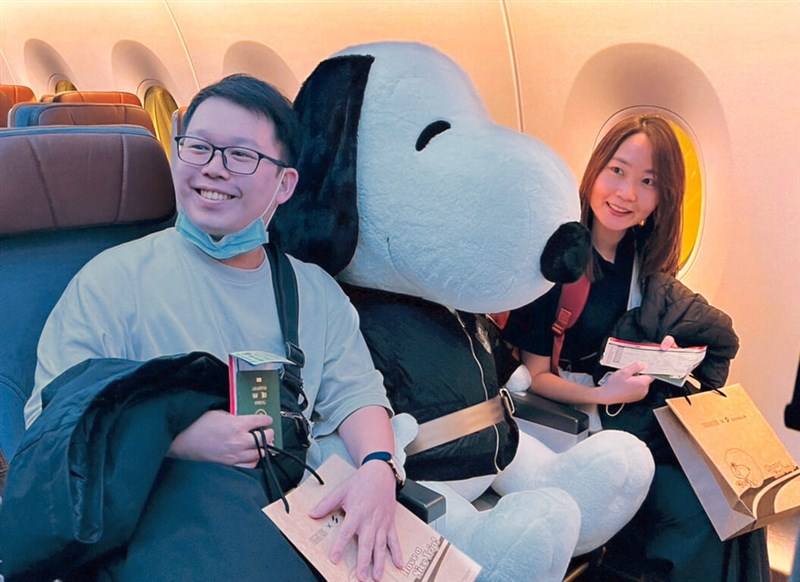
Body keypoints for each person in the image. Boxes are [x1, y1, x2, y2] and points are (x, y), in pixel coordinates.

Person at [24, 74, 402, 582]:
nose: (214, 168)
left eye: (240, 155)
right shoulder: (112, 280)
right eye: (198, 147)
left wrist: (378, 466)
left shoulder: (313, 292)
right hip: (163, 525)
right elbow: (51, 421)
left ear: (284, 184)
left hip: (288, 513)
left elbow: (356, 394)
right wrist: (174, 438)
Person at [503, 115, 767, 581]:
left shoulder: (643, 256)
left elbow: (636, 333)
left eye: (648, 181)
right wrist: (605, 394)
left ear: (662, 198)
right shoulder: (559, 259)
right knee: (695, 511)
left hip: (632, 414)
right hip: (578, 420)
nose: (627, 193)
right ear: (595, 170)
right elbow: (536, 377)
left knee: (736, 496)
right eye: (618, 171)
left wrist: (663, 350)